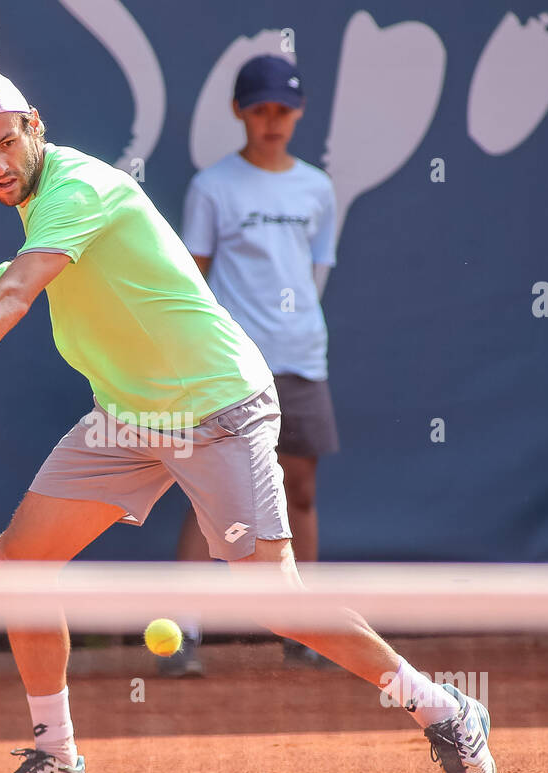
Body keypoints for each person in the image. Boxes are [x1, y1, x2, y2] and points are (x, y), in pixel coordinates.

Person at [0, 70, 496, 773]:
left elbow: (23, 289)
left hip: (215, 407)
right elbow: (40, 265)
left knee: (277, 602)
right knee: (20, 561)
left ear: (35, 124)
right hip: (130, 415)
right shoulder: (49, 204)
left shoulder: (78, 184)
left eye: (6, 143)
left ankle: (446, 712)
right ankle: (56, 760)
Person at [165, 55, 341, 676]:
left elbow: (315, 275)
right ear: (240, 111)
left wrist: (289, 328)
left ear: (298, 113)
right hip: (230, 369)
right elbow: (193, 280)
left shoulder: (318, 188)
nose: (273, 121)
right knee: (207, 496)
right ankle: (182, 633)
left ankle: (305, 630)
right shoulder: (212, 187)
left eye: (283, 110)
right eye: (260, 108)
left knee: (302, 491)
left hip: (301, 363)